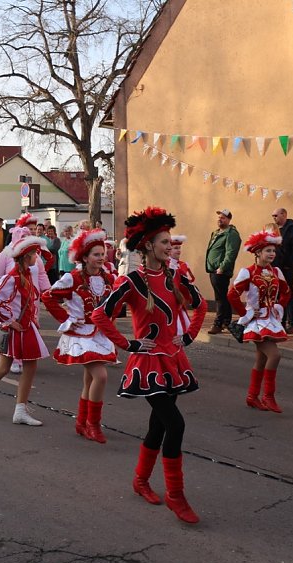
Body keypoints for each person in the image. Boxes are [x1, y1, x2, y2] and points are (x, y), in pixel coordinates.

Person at [92, 206, 207, 525]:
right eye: (164, 242)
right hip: (147, 366)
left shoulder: (176, 277)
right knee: (176, 424)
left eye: (171, 242)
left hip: (174, 361)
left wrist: (189, 336)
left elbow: (200, 306)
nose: (170, 247)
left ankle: (141, 480)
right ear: (147, 246)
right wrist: (128, 344)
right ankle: (176, 494)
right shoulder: (130, 281)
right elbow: (100, 315)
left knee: (159, 425)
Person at [41, 229, 117, 442]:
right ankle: (93, 424)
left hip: (100, 334)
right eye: (96, 254)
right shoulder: (72, 278)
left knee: (89, 381)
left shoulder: (109, 278)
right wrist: (67, 318)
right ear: (84, 257)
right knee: (100, 376)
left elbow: (113, 305)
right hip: (81, 335)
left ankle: (82, 423)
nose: (101, 257)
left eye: (103, 254)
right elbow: (47, 297)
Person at [0, 234, 50, 425]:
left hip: (26, 326)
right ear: (27, 257)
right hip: (16, 328)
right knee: (3, 368)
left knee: (30, 367)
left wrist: (32, 318)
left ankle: (20, 410)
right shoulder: (14, 277)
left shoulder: (25, 275)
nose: (37, 258)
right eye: (35, 254)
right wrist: (8, 320)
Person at [227, 230, 291, 413]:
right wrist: (246, 312)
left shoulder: (276, 271)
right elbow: (232, 295)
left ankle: (252, 396)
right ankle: (268, 396)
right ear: (258, 253)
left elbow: (286, 292)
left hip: (271, 319)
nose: (271, 254)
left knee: (262, 359)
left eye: (273, 251)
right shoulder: (247, 272)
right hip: (256, 322)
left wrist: (279, 307)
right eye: (268, 251)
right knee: (275, 355)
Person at [205, 208, 241, 334]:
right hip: (213, 269)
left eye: (223, 217)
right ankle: (226, 321)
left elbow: (231, 253)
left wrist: (222, 267)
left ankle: (218, 323)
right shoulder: (216, 232)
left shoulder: (231, 233)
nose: (220, 219)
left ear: (229, 219)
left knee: (220, 298)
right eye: (219, 217)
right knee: (222, 296)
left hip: (220, 270)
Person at [271, 207, 293, 334]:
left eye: (276, 215)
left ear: (284, 214)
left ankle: (292, 322)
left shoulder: (292, 229)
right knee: (278, 294)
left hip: (287, 268)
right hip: (276, 267)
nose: (273, 218)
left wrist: (288, 264)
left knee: (288, 293)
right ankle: (280, 321)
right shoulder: (275, 229)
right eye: (272, 216)